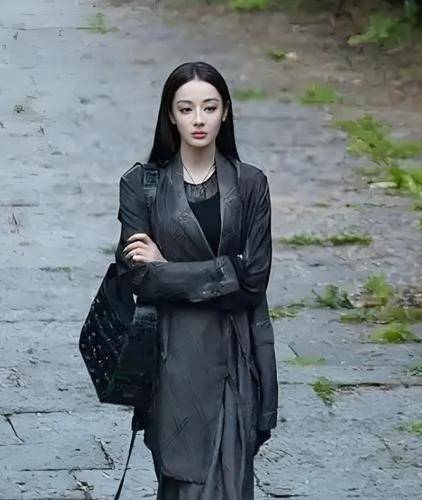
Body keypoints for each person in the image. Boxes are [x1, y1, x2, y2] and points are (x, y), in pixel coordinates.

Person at [115, 61, 277, 499]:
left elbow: (255, 279)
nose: (199, 119)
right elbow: (137, 277)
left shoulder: (250, 184)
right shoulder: (141, 185)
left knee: (231, 481)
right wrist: (225, 271)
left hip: (235, 351)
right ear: (171, 115)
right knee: (182, 481)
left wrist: (166, 267)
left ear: (226, 112)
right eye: (186, 109)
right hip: (173, 355)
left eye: (210, 107)